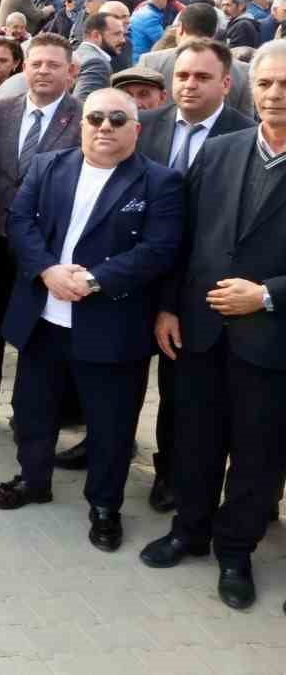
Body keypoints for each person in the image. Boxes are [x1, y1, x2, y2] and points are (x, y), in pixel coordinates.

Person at [0, 87, 184, 551]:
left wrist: (93, 281)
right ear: (82, 123)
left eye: (118, 120)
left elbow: (159, 249)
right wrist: (49, 270)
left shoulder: (160, 182)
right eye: (96, 118)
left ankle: (104, 506)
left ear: (136, 129)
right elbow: (20, 222)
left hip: (112, 325)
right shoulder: (49, 165)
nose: (104, 128)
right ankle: (33, 480)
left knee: (111, 424)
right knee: (33, 412)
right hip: (45, 318)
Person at [138, 40, 286, 612]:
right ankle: (188, 531)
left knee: (257, 453)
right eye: (267, 84)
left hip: (271, 342)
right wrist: (170, 307)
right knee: (194, 439)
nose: (274, 95)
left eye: (284, 85)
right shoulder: (222, 151)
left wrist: (268, 295)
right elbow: (186, 238)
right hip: (199, 331)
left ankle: (235, 552)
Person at [127, 39, 254, 510]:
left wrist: (174, 301)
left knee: (179, 391)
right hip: (134, 277)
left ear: (226, 83)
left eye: (202, 77)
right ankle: (112, 446)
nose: (189, 84)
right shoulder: (145, 126)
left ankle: (171, 472)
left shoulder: (245, 137)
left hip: (194, 288)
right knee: (118, 373)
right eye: (182, 76)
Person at [0, 34, 83, 433]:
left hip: (47, 249)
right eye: (36, 63)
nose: (42, 71)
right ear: (24, 68)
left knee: (37, 334)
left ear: (71, 72)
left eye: (53, 65)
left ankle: (30, 410)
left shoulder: (83, 118)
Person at [73, 11, 126, 101]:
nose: (123, 40)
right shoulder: (96, 63)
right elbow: (84, 103)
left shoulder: (78, 54)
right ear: (96, 35)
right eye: (117, 34)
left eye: (123, 34)